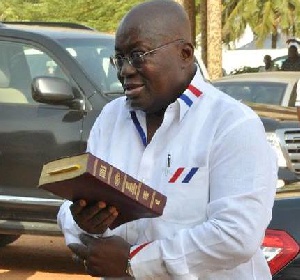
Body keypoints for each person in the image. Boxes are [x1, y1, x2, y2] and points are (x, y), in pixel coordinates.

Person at [57, 0, 278, 279]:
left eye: (138, 55)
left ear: (185, 54)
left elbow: (236, 235)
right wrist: (83, 221)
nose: (125, 70)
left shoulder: (232, 124)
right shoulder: (110, 119)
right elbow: (73, 209)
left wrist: (135, 262)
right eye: (119, 58)